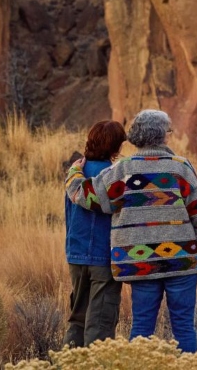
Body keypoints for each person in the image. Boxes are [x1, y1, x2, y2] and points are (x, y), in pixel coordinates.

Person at [65, 109, 197, 353]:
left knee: (141, 327)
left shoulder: (122, 170)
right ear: (163, 136)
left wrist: (74, 173)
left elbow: (87, 195)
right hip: (180, 262)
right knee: (183, 327)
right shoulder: (180, 168)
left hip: (141, 262)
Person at [64, 120, 127, 347]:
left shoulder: (74, 175)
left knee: (77, 319)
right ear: (114, 148)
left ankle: (68, 363)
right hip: (104, 258)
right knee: (99, 324)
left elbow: (69, 218)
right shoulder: (115, 177)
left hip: (76, 255)